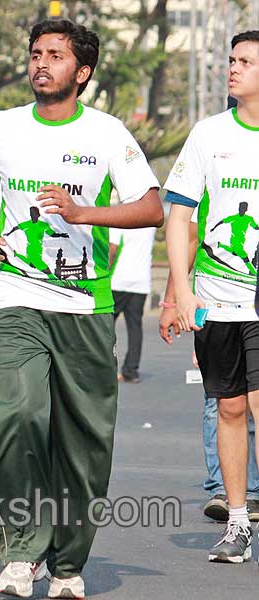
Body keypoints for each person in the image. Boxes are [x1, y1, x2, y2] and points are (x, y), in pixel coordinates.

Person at [0, 19, 162, 599]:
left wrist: (83, 215)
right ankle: (21, 552)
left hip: (84, 305)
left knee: (84, 442)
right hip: (12, 297)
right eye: (35, 53)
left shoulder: (106, 133)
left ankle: (68, 564)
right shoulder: (1, 128)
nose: (40, 63)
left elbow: (150, 206)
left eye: (55, 55)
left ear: (83, 72)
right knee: (19, 413)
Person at [165, 30, 259, 565]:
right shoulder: (208, 133)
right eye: (231, 60)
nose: (233, 68)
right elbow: (179, 214)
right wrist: (180, 291)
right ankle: (239, 524)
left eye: (245, 62)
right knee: (228, 406)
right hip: (218, 298)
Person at [159, 217, 259, 522]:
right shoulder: (209, 176)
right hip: (216, 304)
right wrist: (173, 300)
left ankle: (249, 491)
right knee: (223, 405)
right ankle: (224, 490)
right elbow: (189, 236)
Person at [109, 224, 156, 383]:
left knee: (105, 325)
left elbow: (112, 250)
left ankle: (104, 368)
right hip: (141, 282)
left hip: (118, 280)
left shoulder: (120, 219)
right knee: (135, 327)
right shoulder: (149, 224)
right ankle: (131, 371)